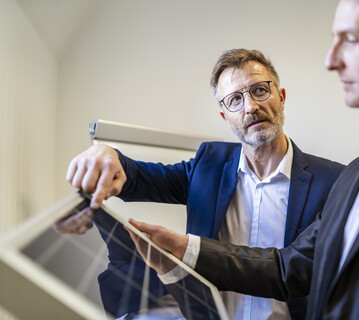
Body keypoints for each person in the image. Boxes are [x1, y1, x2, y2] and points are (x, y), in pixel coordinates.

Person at [127, 0, 359, 318]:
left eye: (351, 39)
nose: (331, 60)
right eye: (235, 99)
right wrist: (185, 249)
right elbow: (288, 269)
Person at [64, 49, 344, 319]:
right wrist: (108, 155)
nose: (250, 107)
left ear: (281, 98)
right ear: (225, 116)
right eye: (234, 100)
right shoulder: (208, 166)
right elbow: (139, 177)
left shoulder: (333, 181)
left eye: (260, 90)